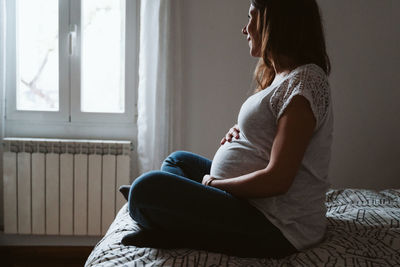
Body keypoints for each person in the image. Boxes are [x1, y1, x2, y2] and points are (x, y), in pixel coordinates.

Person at [121, 0, 333, 259]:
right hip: (252, 205)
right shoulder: (282, 76)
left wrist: (218, 184)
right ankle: (170, 221)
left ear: (273, 21)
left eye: (251, 17)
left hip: (277, 226)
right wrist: (243, 132)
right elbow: (273, 130)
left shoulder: (305, 82)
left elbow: (279, 179)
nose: (245, 29)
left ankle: (167, 222)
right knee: (178, 161)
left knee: (146, 188)